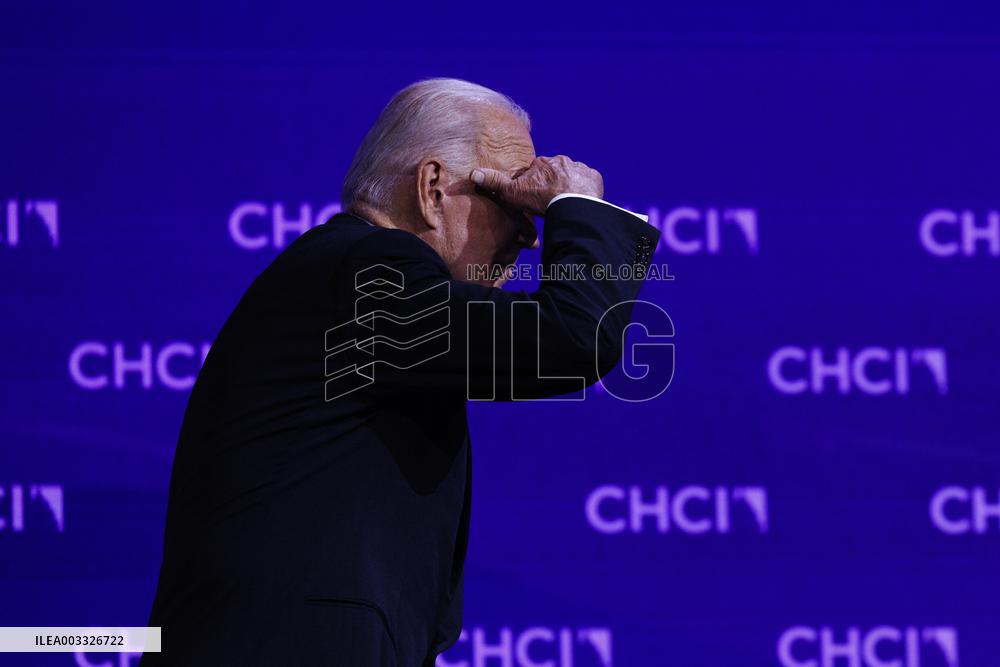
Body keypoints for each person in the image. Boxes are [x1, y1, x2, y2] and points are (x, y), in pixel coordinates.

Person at [141, 77, 660, 666]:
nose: (530, 235)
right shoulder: (365, 270)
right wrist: (578, 207)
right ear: (432, 188)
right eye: (515, 204)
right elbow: (571, 338)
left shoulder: (343, 279)